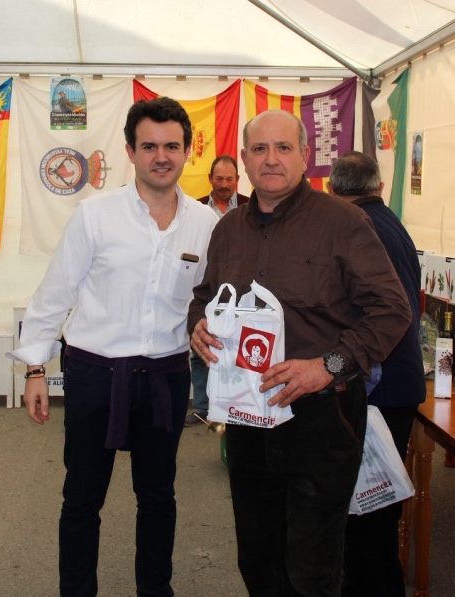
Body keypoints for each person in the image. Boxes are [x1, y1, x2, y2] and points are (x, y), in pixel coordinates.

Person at [187, 109, 413, 596]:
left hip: (322, 417)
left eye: (283, 148)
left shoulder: (344, 221)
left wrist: (327, 366)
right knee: (257, 557)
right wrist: (198, 326)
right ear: (244, 158)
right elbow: (204, 296)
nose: (271, 159)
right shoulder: (228, 229)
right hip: (247, 416)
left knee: (312, 566)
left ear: (305, 156)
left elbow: (393, 309)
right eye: (260, 149)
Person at [6, 97, 219, 597]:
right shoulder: (95, 215)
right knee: (82, 498)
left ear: (187, 151)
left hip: (166, 377)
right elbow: (55, 292)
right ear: (130, 151)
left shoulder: (206, 224)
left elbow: (210, 301)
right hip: (95, 377)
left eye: (172, 146)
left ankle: (155, 590)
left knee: (159, 498)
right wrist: (35, 368)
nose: (161, 156)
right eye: (149, 146)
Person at [327, 150, 426, 597]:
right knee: (373, 508)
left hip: (376, 384)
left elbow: (371, 314)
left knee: (368, 507)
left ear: (332, 190)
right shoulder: (390, 222)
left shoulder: (357, 227)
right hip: (395, 379)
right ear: (380, 186)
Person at [185, 155, 249, 427]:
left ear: (237, 180)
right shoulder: (194, 209)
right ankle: (202, 408)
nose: (224, 184)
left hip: (242, 291)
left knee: (239, 352)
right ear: (210, 179)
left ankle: (238, 409)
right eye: (219, 179)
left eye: (229, 179)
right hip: (206, 287)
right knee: (202, 349)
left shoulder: (250, 207)